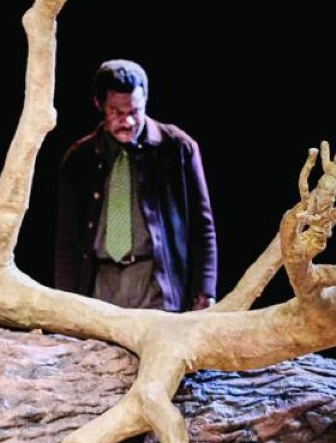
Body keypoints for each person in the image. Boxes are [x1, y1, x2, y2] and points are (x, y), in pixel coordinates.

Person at [54, 58, 216, 312]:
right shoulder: (79, 160)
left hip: (155, 284)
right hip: (100, 286)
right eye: (116, 113)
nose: (127, 122)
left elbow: (202, 227)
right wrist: (64, 303)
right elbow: (67, 241)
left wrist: (205, 291)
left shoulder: (177, 149)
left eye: (134, 112)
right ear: (98, 104)